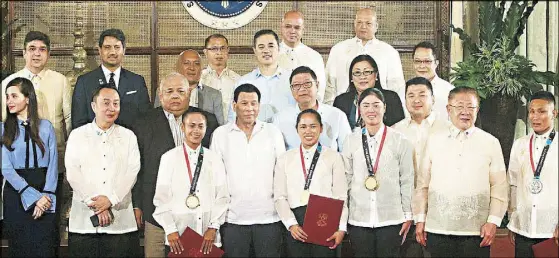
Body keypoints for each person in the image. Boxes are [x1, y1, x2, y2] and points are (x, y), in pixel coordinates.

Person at [131, 72, 219, 258]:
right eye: (169, 91)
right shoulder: (143, 123)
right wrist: (136, 204)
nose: (175, 96)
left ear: (189, 94)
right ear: (160, 95)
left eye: (180, 91)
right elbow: (137, 169)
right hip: (156, 211)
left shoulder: (207, 121)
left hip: (197, 212)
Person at [414, 87, 508, 258]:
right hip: (438, 228)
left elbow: (499, 187)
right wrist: (420, 218)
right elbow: (422, 185)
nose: (465, 112)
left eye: (470, 107)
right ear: (448, 109)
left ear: (477, 110)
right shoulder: (434, 140)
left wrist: (493, 221)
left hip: (477, 231)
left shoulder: (490, 143)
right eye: (459, 106)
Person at [1, 31, 71, 244]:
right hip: (16, 172)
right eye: (32, 49)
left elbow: (69, 119)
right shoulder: (8, 82)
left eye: (42, 50)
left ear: (48, 54)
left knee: (47, 238)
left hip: (50, 166)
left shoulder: (60, 81)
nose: (37, 54)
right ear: (23, 52)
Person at [211, 84, 286, 257]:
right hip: (233, 219)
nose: (249, 108)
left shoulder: (272, 132)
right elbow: (215, 178)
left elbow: (282, 174)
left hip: (270, 218)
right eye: (244, 103)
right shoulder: (221, 134)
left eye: (254, 103)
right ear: (234, 105)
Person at [65, 85, 141, 257]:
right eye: (106, 103)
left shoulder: (128, 136)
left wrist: (111, 200)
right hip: (84, 221)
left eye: (116, 103)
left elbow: (132, 171)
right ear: (94, 106)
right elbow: (73, 173)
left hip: (121, 220)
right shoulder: (77, 135)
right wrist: (96, 205)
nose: (111, 108)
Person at [342, 87, 414, 257]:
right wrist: (342, 216)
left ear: (384, 108)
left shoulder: (400, 140)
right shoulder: (351, 140)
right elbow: (346, 179)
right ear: (359, 110)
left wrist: (408, 215)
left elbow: (407, 179)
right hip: (358, 218)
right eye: (365, 105)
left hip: (392, 218)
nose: (371, 110)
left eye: (376, 105)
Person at [153, 110, 230, 257]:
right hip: (178, 236)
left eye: (200, 126)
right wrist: (170, 229)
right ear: (183, 127)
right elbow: (161, 199)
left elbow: (222, 197)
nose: (196, 130)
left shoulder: (214, 159)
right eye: (191, 126)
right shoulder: (168, 158)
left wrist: (213, 227)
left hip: (209, 236)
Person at [274, 109, 348, 257]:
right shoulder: (285, 159)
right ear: (297, 130)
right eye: (303, 127)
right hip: (296, 224)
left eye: (313, 126)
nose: (308, 131)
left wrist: (341, 228)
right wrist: (291, 224)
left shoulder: (334, 157)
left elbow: (341, 196)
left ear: (321, 129)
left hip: (326, 221)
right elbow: (280, 197)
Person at [393, 77, 450, 257]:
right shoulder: (395, 131)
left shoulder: (447, 130)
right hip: (405, 210)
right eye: (411, 95)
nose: (416, 100)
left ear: (433, 99)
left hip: (438, 210)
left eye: (422, 95)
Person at [2, 77, 58, 257]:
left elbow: (53, 164)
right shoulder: (3, 129)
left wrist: (46, 196)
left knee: (45, 248)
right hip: (16, 192)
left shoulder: (46, 127)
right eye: (7, 97)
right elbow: (5, 167)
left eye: (14, 96)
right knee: (19, 249)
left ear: (28, 98)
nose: (9, 101)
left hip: (45, 191)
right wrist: (32, 196)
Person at [507, 91, 558, 258]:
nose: (535, 116)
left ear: (554, 113)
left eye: (542, 111)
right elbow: (513, 184)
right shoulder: (520, 144)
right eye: (531, 111)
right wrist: (513, 220)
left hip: (552, 231)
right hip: (524, 227)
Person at [71, 28, 150, 130]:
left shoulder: (137, 81)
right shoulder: (84, 82)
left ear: (124, 50)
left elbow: (146, 120)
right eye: (107, 47)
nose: (112, 52)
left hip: (130, 142)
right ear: (100, 50)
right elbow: (78, 123)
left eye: (117, 47)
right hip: (95, 143)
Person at [325, 7, 405, 105]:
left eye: (368, 23)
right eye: (359, 23)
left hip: (380, 111)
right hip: (345, 108)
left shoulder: (389, 52)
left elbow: (397, 88)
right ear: (354, 25)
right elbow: (329, 86)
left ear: (376, 26)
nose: (363, 27)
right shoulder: (338, 50)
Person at [273, 66, 351, 151]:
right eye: (296, 85)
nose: (302, 89)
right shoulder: (280, 119)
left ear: (317, 85)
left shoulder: (337, 116)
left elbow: (348, 152)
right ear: (291, 89)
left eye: (307, 84)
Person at [228, 29, 296, 123]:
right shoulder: (243, 82)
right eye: (261, 47)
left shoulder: (292, 81)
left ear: (279, 48)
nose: (266, 51)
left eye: (271, 46)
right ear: (254, 51)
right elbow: (233, 118)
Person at [334, 54, 404, 130]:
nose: (362, 77)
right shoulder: (340, 101)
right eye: (357, 73)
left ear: (376, 75)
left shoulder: (391, 98)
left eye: (367, 72)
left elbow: (399, 129)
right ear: (351, 77)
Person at [278, 10, 327, 103]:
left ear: (303, 30)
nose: (292, 31)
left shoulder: (314, 57)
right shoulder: (273, 55)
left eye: (297, 27)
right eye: (288, 26)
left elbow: (320, 91)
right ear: (281, 27)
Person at [176, 49, 224, 125]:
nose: (192, 68)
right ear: (178, 68)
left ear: (201, 69)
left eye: (196, 64)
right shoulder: (165, 92)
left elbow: (219, 129)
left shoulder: (214, 95)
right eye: (186, 63)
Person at [201, 34, 241, 122]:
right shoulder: (199, 79)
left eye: (223, 48)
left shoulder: (238, 80)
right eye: (214, 49)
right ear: (205, 52)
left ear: (228, 51)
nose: (219, 53)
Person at [412, 41, 454, 120]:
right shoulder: (403, 90)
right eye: (417, 61)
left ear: (436, 63)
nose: (422, 66)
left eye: (427, 61)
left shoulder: (449, 91)